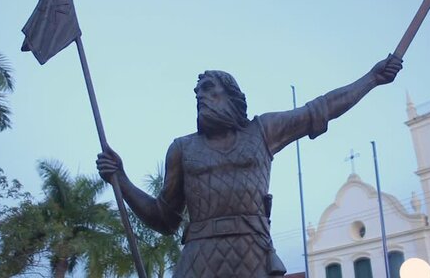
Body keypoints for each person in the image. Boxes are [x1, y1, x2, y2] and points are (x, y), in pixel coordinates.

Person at [97, 54, 403, 277]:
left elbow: (320, 109)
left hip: (252, 255)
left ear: (230, 96)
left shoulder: (263, 131)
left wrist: (371, 79)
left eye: (207, 88)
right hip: (197, 258)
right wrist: (121, 179)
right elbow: (164, 218)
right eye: (197, 92)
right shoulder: (182, 148)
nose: (200, 96)